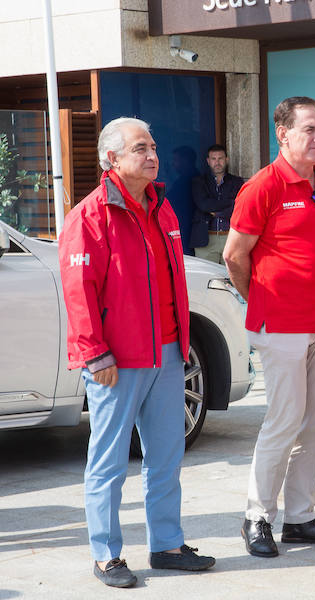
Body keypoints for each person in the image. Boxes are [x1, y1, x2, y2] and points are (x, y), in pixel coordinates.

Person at [59, 117, 215, 588]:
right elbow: (78, 292)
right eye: (140, 148)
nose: (152, 155)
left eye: (153, 145)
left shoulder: (161, 208)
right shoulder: (89, 217)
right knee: (107, 462)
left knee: (166, 456)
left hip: (167, 356)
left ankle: (167, 544)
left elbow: (170, 285)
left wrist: (182, 345)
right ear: (113, 159)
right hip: (115, 364)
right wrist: (94, 354)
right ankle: (106, 555)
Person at [223, 96, 315, 559]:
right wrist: (260, 295)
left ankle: (300, 517)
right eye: (308, 130)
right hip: (281, 325)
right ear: (283, 133)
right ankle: (258, 516)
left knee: (313, 424)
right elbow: (234, 256)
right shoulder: (263, 186)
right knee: (283, 421)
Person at [190, 144, 243, 264]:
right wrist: (230, 202)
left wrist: (216, 212)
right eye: (213, 159)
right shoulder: (198, 182)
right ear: (208, 161)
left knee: (231, 279)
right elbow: (204, 205)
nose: (217, 162)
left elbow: (239, 207)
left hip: (231, 237)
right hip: (206, 239)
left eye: (220, 158)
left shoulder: (237, 182)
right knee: (205, 280)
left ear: (226, 160)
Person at [167, 145, 199, 254]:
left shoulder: (191, 180)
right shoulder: (183, 179)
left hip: (188, 230)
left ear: (185, 161)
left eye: (176, 160)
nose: (173, 164)